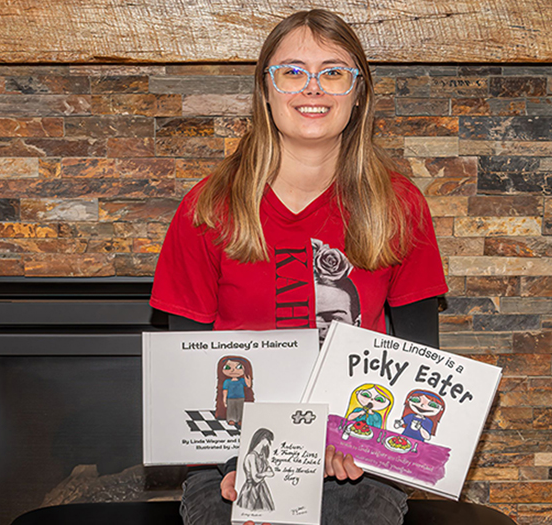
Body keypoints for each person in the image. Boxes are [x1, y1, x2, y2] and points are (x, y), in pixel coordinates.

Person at [150, 9, 447, 525]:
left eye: (334, 72)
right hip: (234, 457)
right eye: (293, 71)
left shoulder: (399, 206)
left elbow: (421, 360)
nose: (314, 88)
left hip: (356, 462)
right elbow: (190, 365)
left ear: (358, 95)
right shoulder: (208, 208)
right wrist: (234, 461)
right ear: (266, 90)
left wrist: (365, 446)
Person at [235, 428, 276, 512]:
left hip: (262, 489)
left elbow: (271, 472)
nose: (269, 443)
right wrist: (265, 473)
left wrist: (264, 473)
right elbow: (255, 478)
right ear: (263, 439)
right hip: (251, 491)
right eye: (268, 440)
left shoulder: (262, 456)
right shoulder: (251, 457)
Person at [215, 356, 254, 426]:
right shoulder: (227, 382)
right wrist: (224, 400)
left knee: (240, 409)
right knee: (231, 409)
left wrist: (248, 378)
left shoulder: (242, 381)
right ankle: (231, 419)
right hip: (230, 398)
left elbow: (248, 385)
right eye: (228, 368)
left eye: (238, 367)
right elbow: (225, 390)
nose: (233, 370)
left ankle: (240, 419)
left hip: (241, 397)